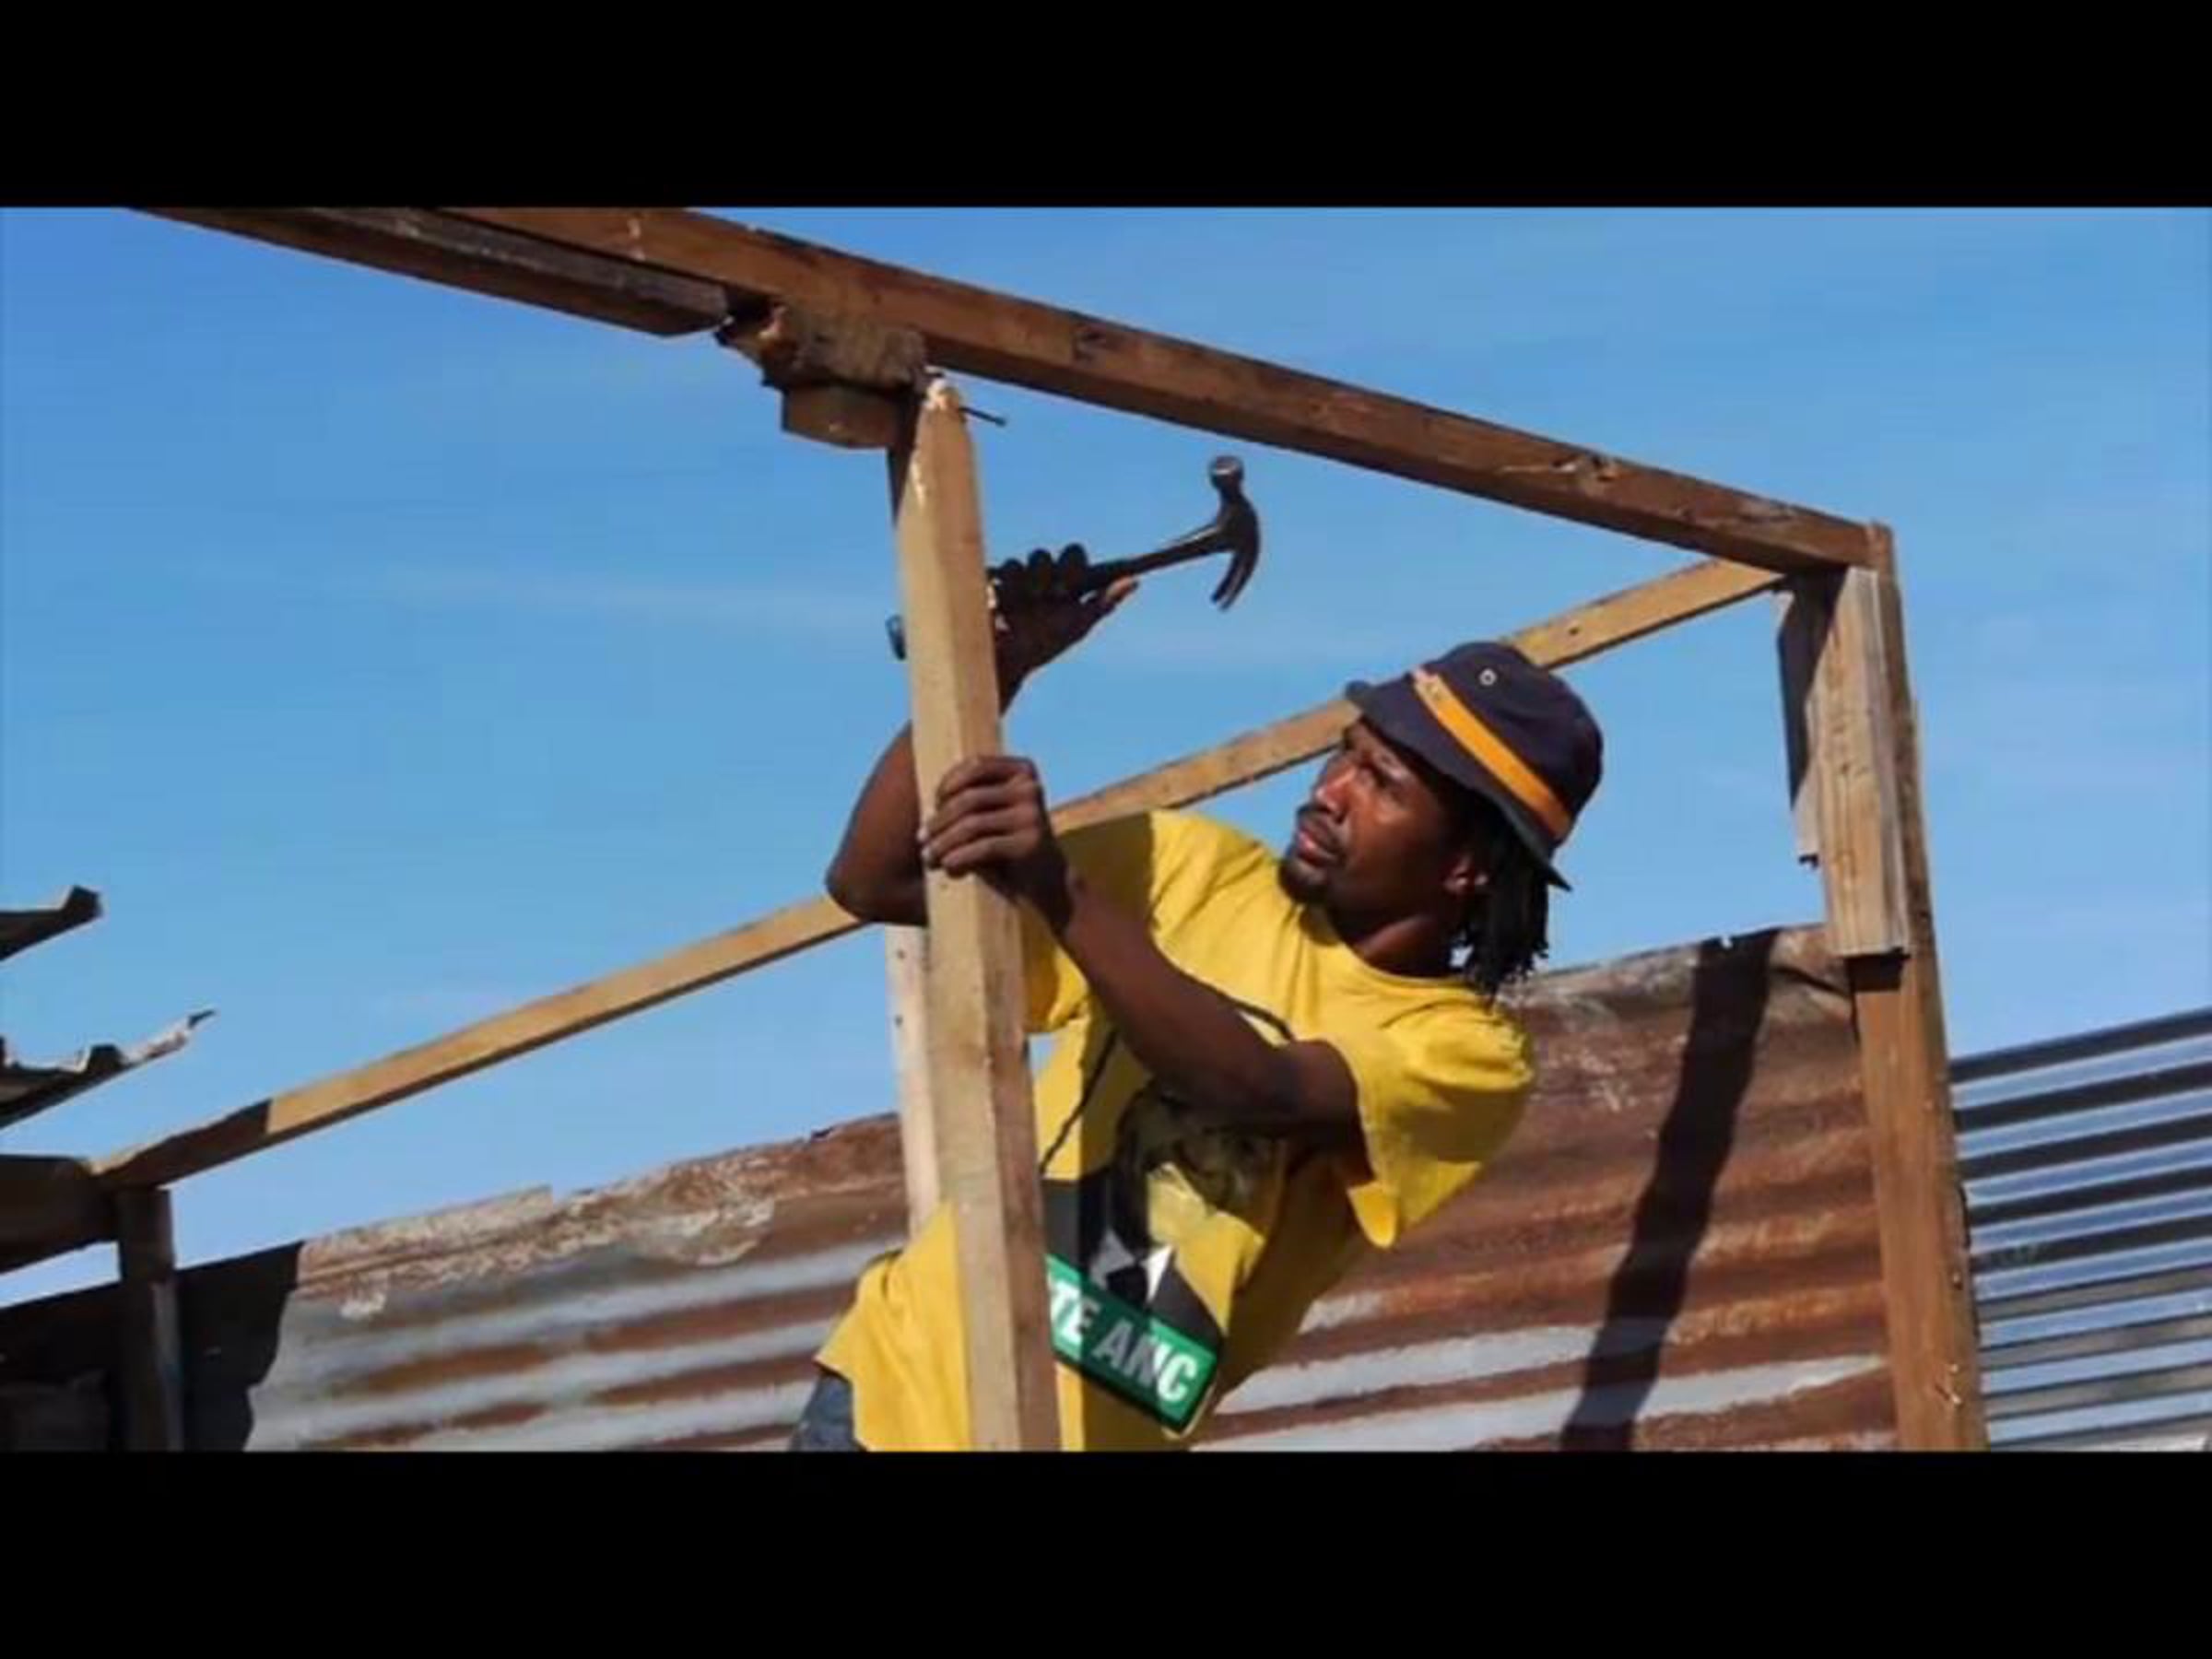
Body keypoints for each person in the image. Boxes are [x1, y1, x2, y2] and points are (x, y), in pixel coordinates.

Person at [794, 547, 1604, 1451]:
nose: (1329, 793)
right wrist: (991, 671)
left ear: (1466, 866)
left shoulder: (1464, 1054)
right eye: (1345, 753)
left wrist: (1061, 890)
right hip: (892, 1402)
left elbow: (1256, 1087)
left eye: (1381, 783)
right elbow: (875, 880)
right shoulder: (1194, 871)